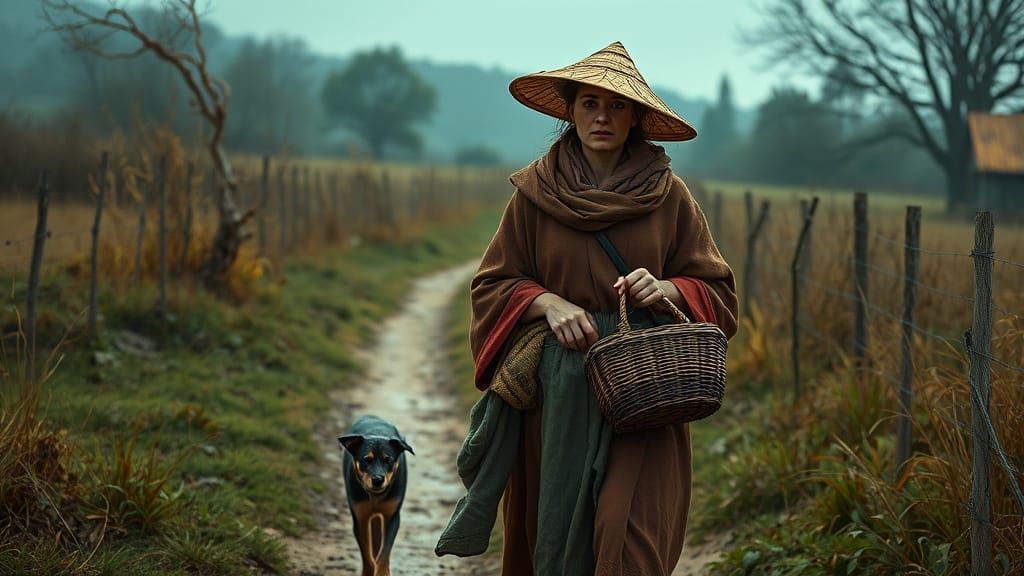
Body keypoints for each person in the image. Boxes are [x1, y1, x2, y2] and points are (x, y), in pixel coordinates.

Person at [463, 42, 738, 576]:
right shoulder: (533, 193)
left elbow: (719, 292)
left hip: (644, 388)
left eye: (616, 106)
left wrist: (669, 289)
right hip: (557, 393)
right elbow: (493, 284)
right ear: (571, 110)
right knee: (555, 531)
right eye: (590, 104)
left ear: (637, 117)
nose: (602, 117)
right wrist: (547, 302)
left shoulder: (671, 196)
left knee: (629, 533)